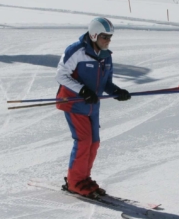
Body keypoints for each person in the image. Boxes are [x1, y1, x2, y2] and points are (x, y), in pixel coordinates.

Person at [55, 17, 131, 197]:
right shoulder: (77, 51)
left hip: (92, 105)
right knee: (83, 141)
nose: (108, 41)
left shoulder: (106, 57)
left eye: (110, 37)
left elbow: (106, 84)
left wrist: (117, 91)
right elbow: (61, 75)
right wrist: (82, 91)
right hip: (74, 103)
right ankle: (74, 182)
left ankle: (83, 177)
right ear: (94, 34)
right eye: (105, 37)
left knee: (94, 143)